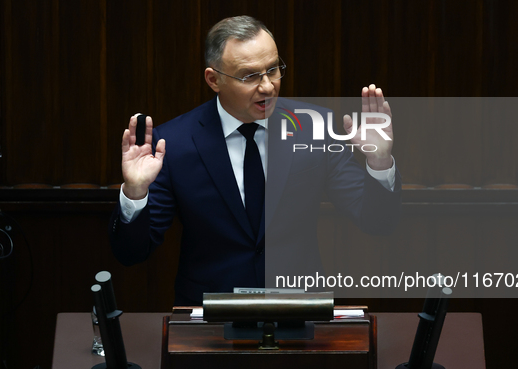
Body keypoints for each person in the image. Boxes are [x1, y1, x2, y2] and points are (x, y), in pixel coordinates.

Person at [109, 15, 402, 306]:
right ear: (214, 80)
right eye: (250, 76)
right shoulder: (172, 143)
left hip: (300, 311)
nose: (267, 87)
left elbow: (378, 223)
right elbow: (131, 253)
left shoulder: (314, 128)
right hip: (209, 319)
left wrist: (379, 161)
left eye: (273, 70)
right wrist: (135, 193)